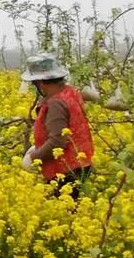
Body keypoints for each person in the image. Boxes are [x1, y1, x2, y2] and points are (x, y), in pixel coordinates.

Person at [21, 53, 94, 198]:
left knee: (66, 212)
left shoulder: (55, 103)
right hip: (80, 164)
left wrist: (33, 157)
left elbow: (57, 141)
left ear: (41, 83)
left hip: (65, 170)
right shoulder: (70, 92)